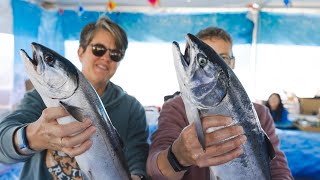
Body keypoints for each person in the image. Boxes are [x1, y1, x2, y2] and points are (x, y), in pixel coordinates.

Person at [0, 16, 149, 180]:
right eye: (98, 49)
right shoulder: (38, 99)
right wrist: (31, 136)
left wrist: (137, 176)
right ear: (81, 52)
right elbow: (2, 142)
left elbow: (138, 158)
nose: (106, 57)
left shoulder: (132, 108)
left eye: (115, 54)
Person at [147, 27, 293, 179]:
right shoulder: (174, 108)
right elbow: (154, 168)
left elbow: (279, 169)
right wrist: (178, 156)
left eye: (222, 57)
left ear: (232, 62)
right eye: (202, 61)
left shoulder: (261, 114)